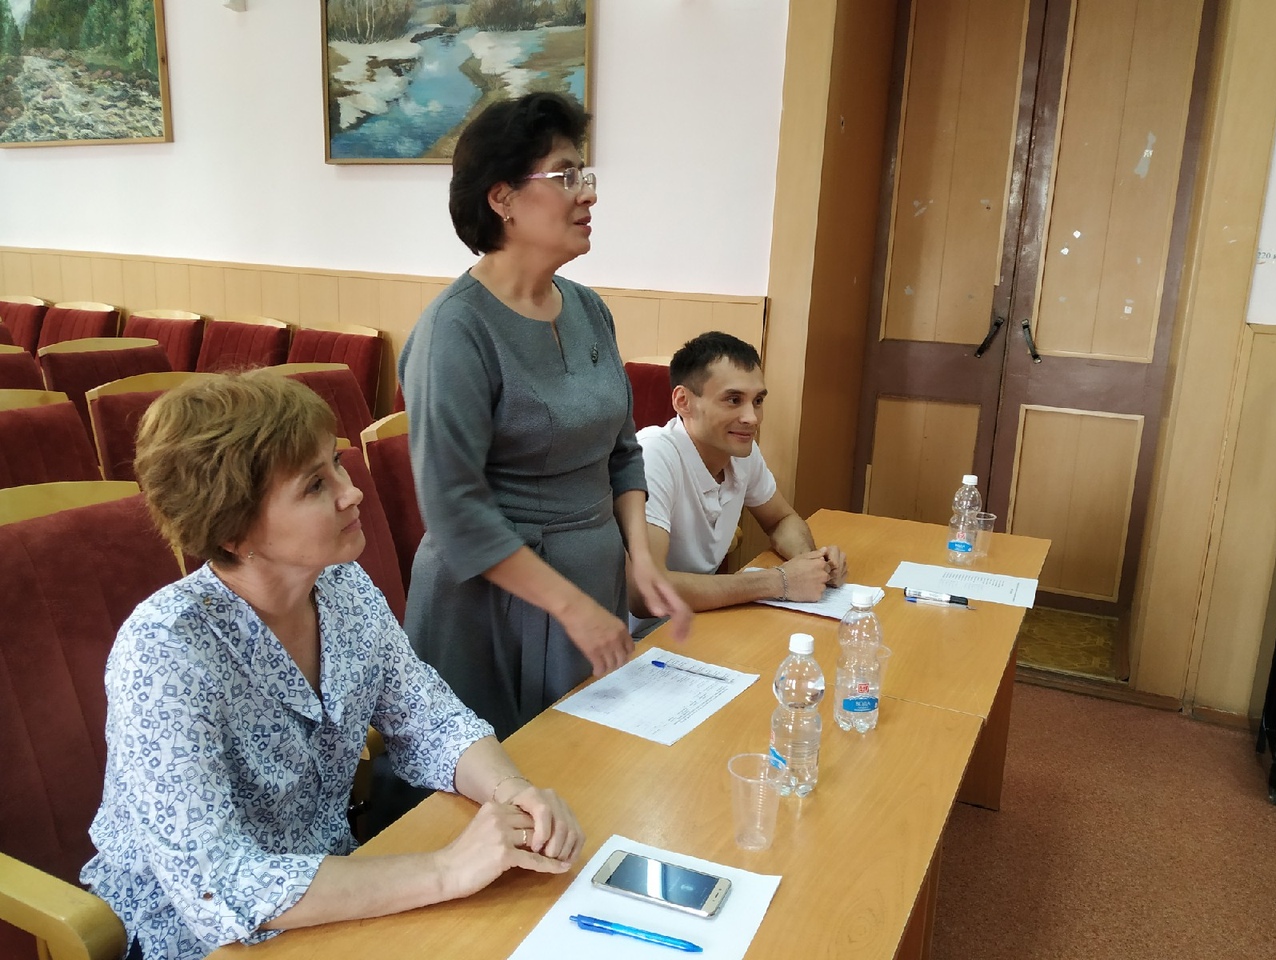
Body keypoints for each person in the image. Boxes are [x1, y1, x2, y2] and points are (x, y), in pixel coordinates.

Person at [81, 370, 584, 960]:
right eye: (315, 485)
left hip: (331, 891)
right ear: (234, 529)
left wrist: (513, 794)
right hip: (200, 937)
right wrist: (448, 869)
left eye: (337, 464)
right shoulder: (165, 650)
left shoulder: (342, 585)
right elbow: (217, 885)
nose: (351, 492)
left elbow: (429, 719)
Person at [398, 92, 690, 739]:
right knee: (504, 777)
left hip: (592, 582)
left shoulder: (589, 309)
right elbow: (454, 509)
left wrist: (641, 559)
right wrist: (571, 608)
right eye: (566, 176)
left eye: (586, 174)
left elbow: (622, 453)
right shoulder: (455, 331)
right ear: (501, 198)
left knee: (589, 769)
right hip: (491, 607)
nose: (589, 194)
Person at [629, 332, 848, 629]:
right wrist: (779, 582)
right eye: (733, 400)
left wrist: (812, 564)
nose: (752, 418)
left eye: (757, 401)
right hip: (634, 639)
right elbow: (646, 593)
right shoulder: (653, 455)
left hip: (697, 622)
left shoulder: (741, 452)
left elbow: (781, 519)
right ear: (683, 402)